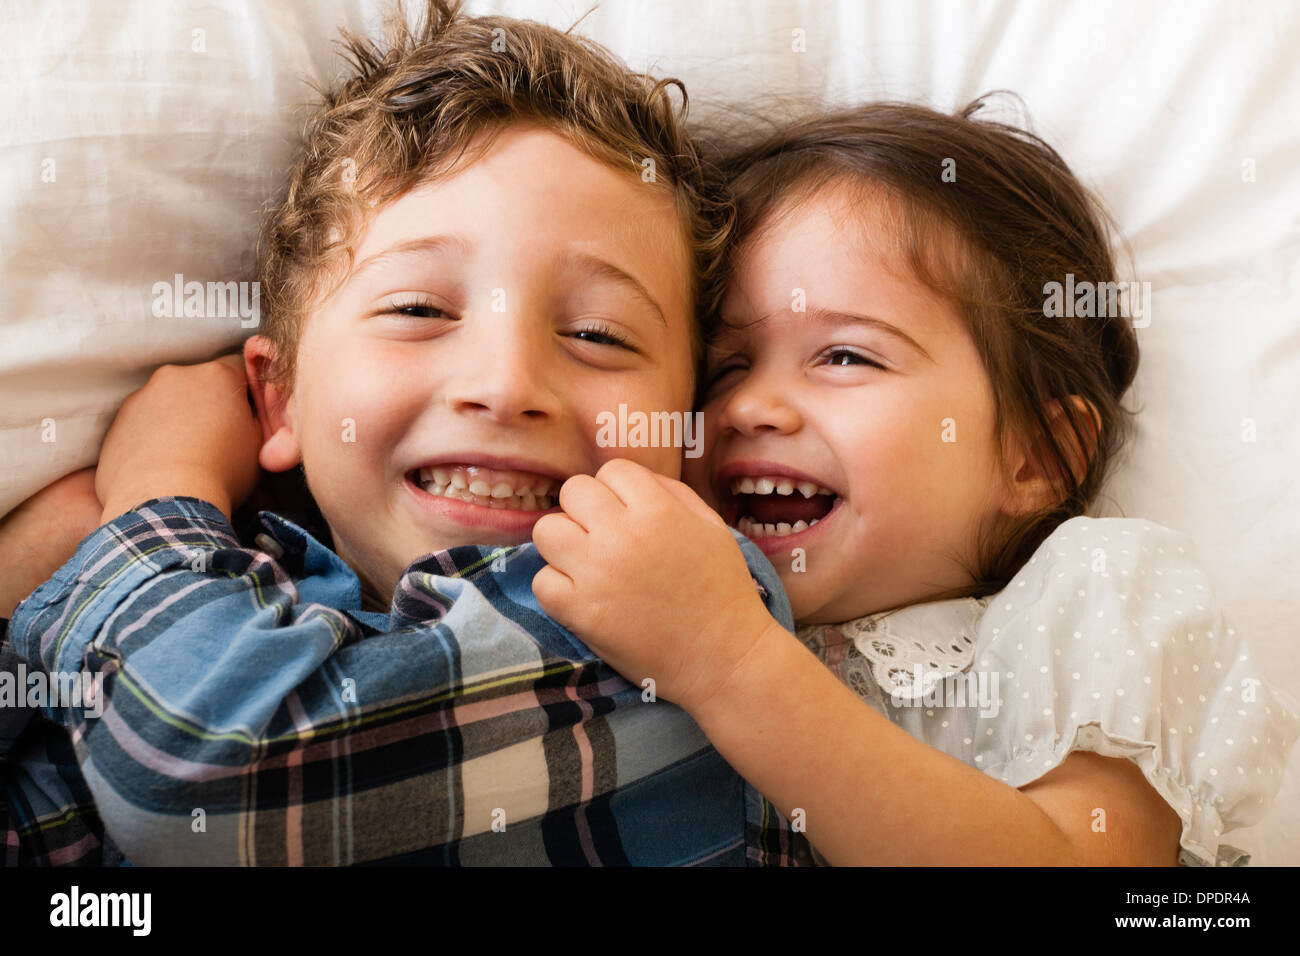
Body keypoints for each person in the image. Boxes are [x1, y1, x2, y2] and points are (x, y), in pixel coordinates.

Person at [0, 0, 800, 866]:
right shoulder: (233, 580)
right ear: (280, 402)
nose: (505, 385)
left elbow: (213, 778)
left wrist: (159, 485)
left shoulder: (676, 613)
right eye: (419, 309)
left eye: (599, 335)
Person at [531, 99, 1300, 866]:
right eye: (726, 365)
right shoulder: (656, 614)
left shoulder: (1086, 598)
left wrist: (729, 660)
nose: (747, 406)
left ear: (1037, 457)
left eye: (844, 357)